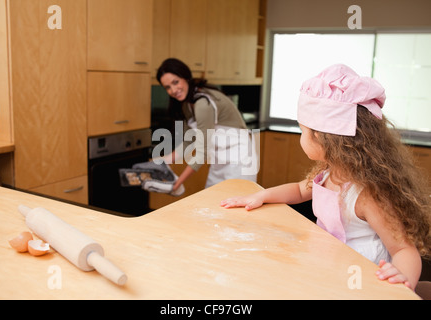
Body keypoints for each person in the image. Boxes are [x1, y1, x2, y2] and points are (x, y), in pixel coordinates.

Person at [221, 64, 431, 291]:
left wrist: (401, 277)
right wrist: (262, 195)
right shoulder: (330, 173)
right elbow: (300, 190)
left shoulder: (367, 195)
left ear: (323, 138)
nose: (301, 137)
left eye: (303, 131)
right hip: (331, 266)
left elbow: (403, 249)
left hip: (361, 279)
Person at [155, 58, 258, 192]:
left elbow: (201, 154)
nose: (173, 90)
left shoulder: (203, 103)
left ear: (185, 77)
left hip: (239, 160)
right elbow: (189, 141)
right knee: (212, 201)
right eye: (168, 87)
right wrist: (163, 162)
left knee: (236, 203)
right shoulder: (187, 104)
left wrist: (176, 184)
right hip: (219, 158)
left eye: (176, 82)